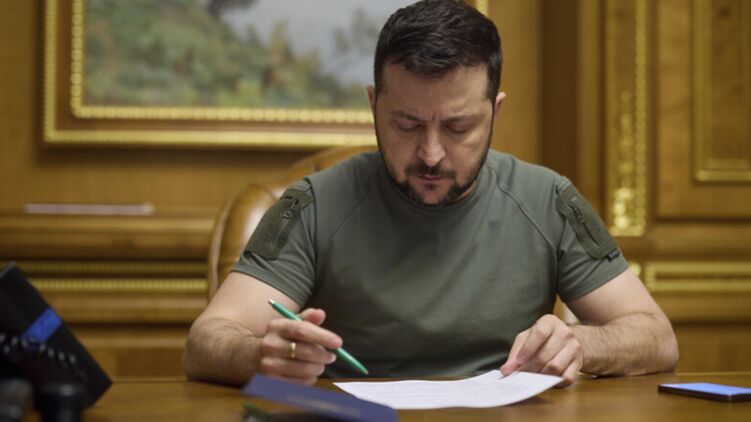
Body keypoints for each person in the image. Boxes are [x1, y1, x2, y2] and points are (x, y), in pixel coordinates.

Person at [183, 0, 678, 387]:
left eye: (459, 127)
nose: (432, 153)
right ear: (374, 105)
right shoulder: (314, 203)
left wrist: (581, 345)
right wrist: (260, 355)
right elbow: (207, 339)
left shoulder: (548, 200)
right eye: (407, 124)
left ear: (495, 112)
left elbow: (656, 336)